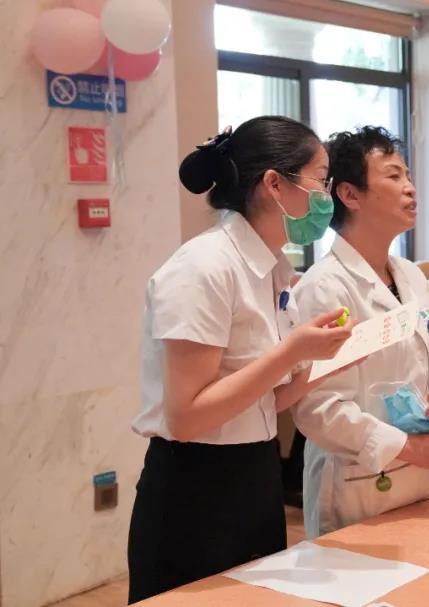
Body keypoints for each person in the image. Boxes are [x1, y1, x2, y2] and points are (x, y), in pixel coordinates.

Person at [128, 116, 356, 602]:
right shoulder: (204, 267)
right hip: (194, 488)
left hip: (255, 473)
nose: (326, 196)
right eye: (321, 180)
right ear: (274, 184)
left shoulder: (271, 268)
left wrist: (326, 362)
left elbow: (261, 402)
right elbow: (187, 417)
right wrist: (292, 351)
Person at [292, 126, 429, 537]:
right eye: (393, 175)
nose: (410, 188)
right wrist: (407, 448)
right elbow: (319, 407)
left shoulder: (409, 275)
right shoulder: (326, 288)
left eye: (408, 175)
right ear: (350, 195)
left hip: (422, 476)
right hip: (359, 485)